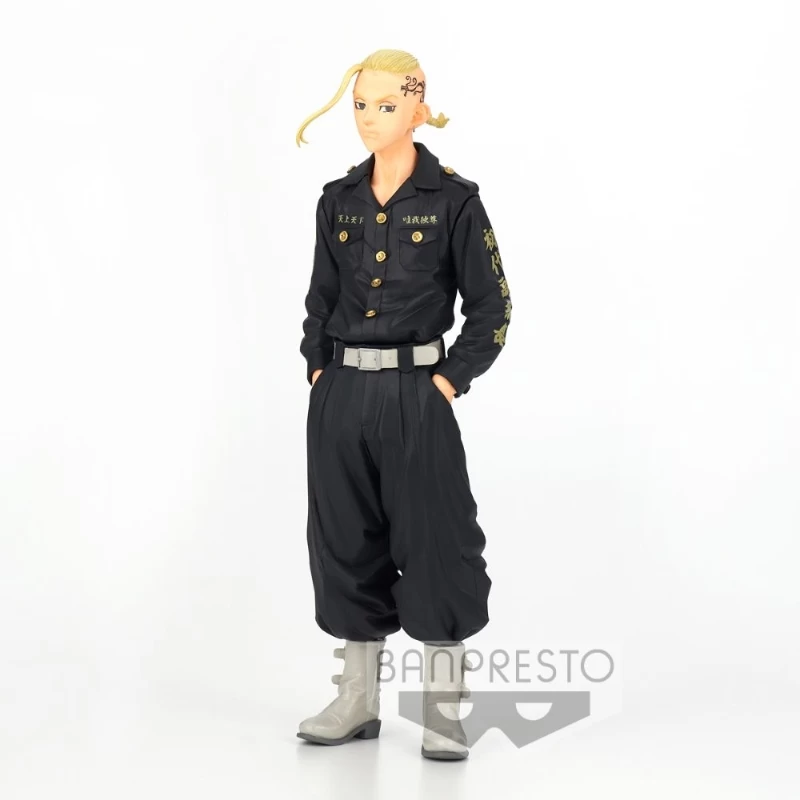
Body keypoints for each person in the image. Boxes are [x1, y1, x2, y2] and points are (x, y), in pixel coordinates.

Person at [295, 48, 512, 759]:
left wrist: (447, 380)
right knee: (343, 541)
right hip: (341, 395)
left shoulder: (454, 200)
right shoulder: (338, 199)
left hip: (418, 395)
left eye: (386, 106)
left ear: (418, 109)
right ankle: (356, 701)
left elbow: (492, 307)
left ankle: (444, 710)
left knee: (436, 540)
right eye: (360, 105)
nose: (368, 119)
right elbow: (321, 298)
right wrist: (319, 370)